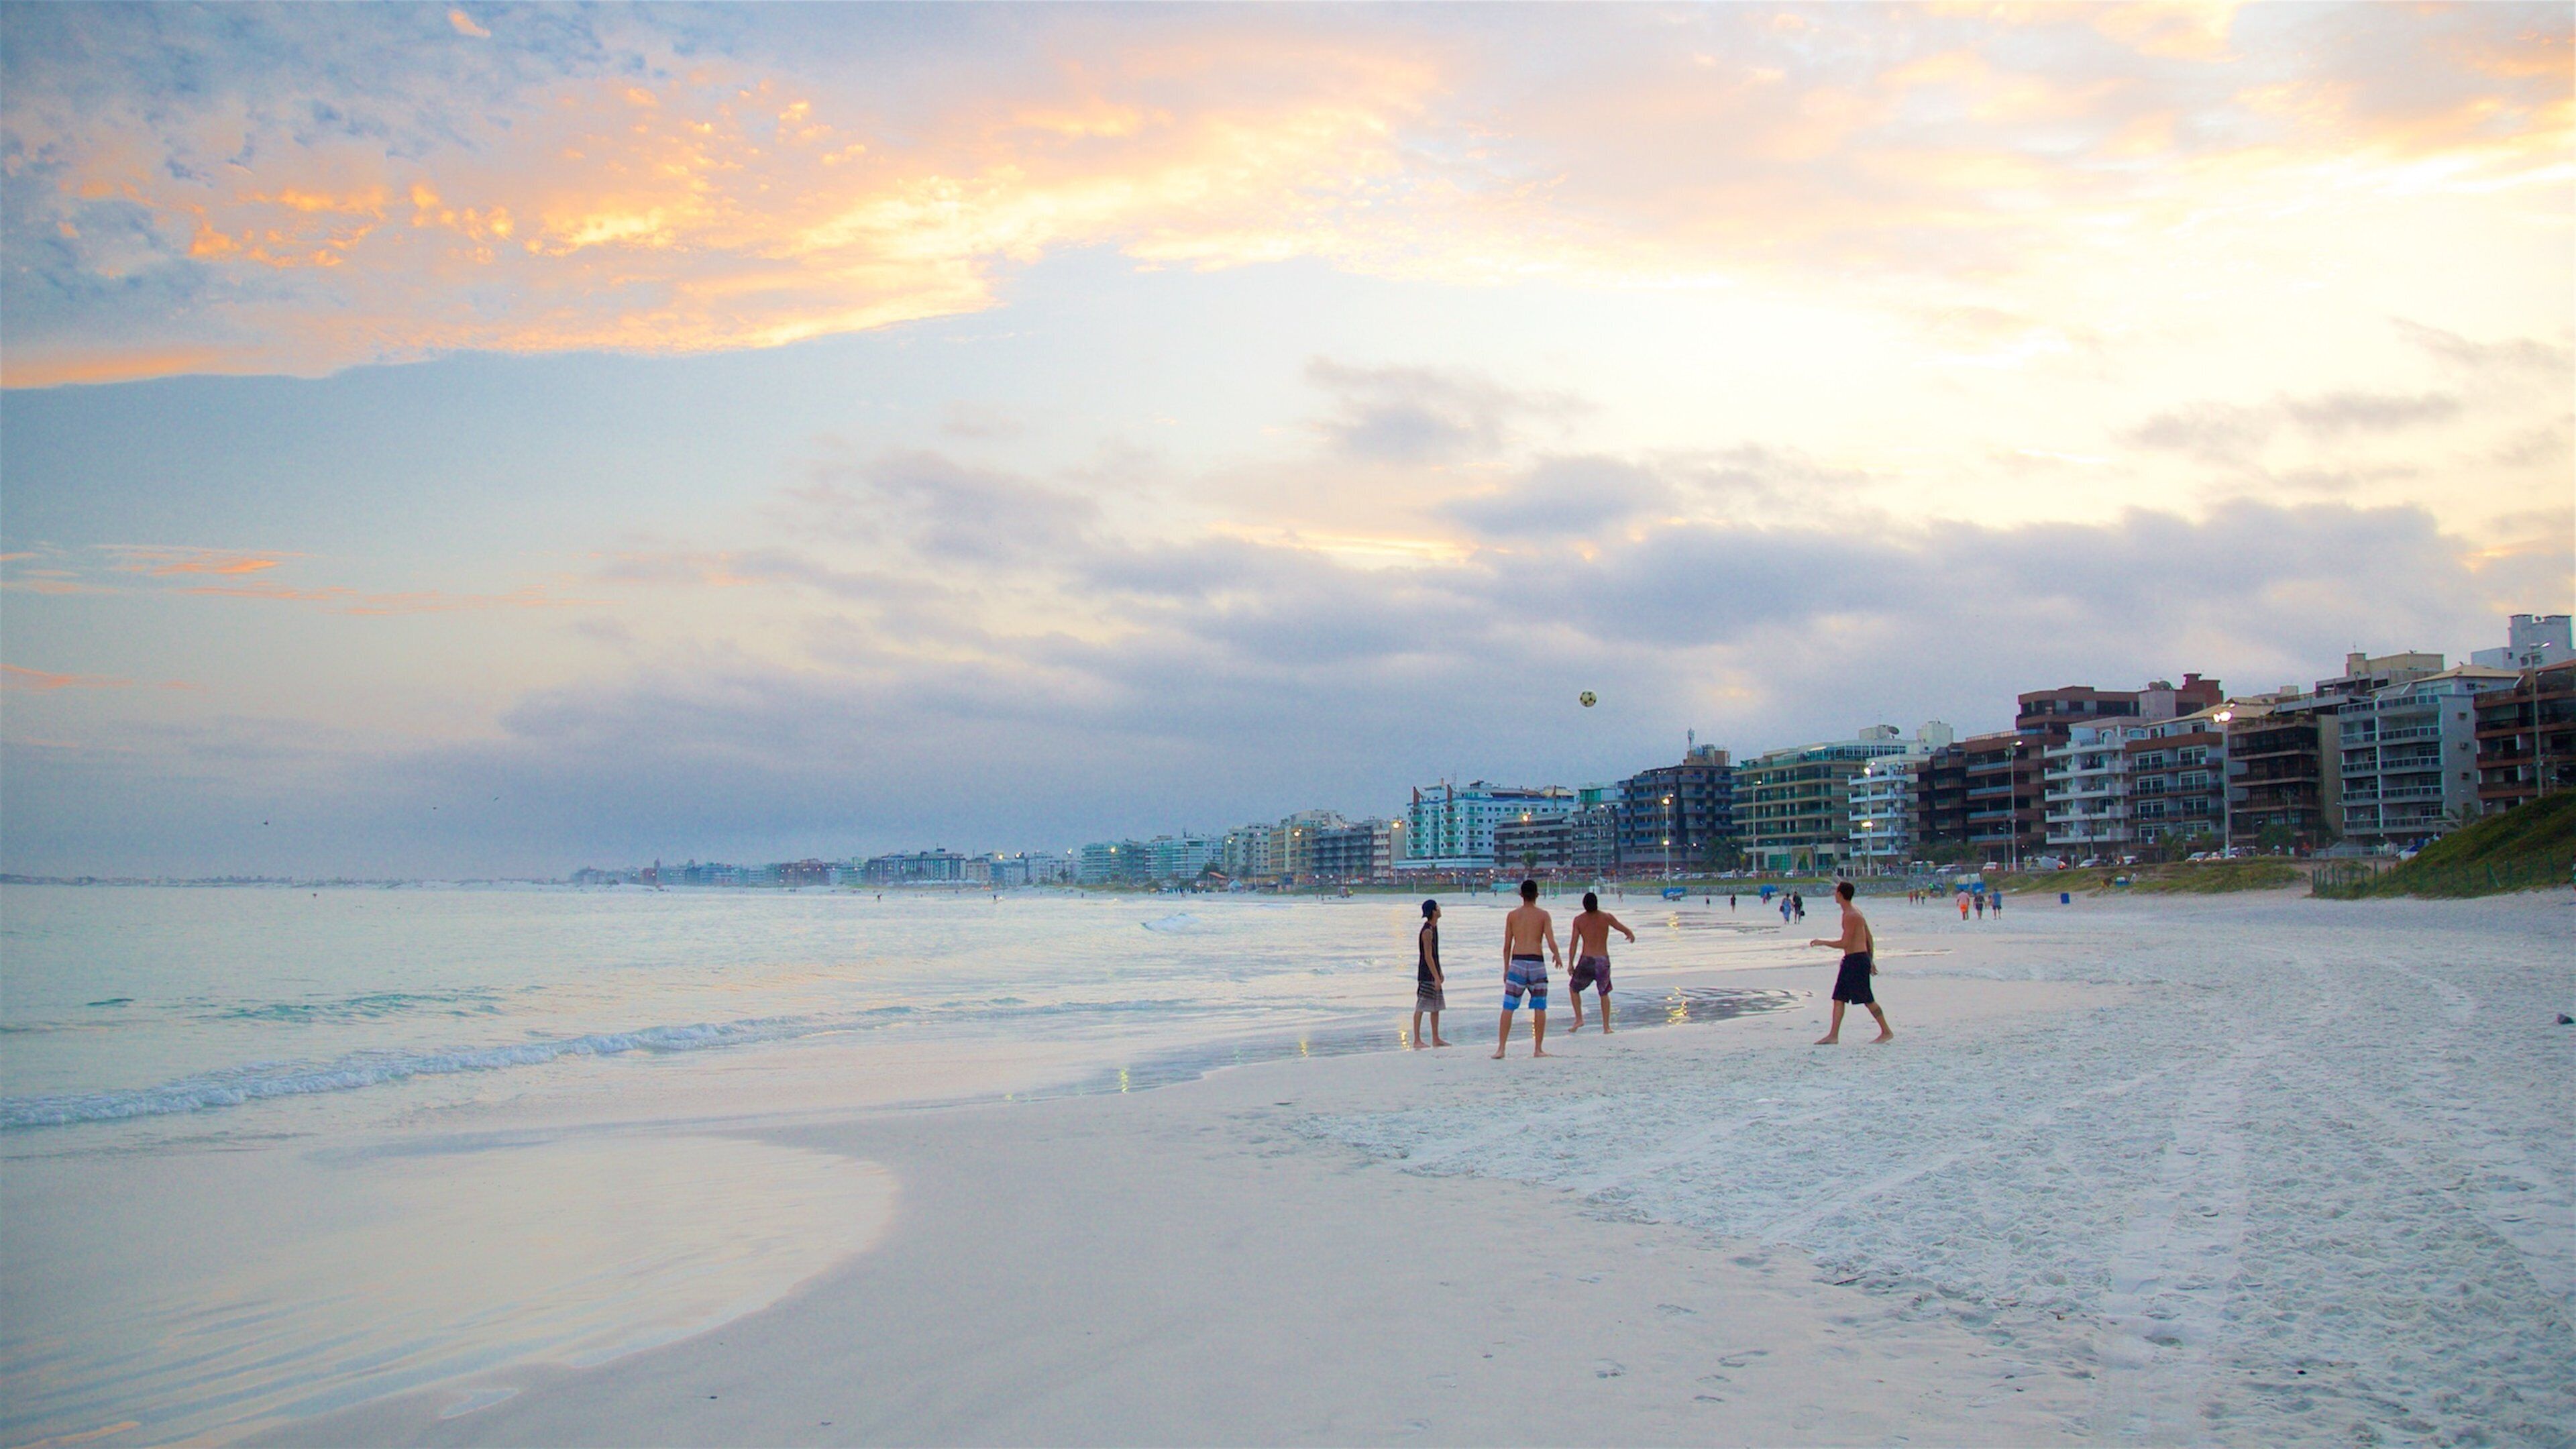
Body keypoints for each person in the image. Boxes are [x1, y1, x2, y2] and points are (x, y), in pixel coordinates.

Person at [1809, 880, 1894, 1044]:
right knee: (1839, 997)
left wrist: (1823, 942)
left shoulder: (1852, 915)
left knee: (1867, 999)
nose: (1834, 894)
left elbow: (1846, 943)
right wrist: (1871, 959)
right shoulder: (1852, 913)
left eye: (1836, 892)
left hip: (1856, 961)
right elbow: (1868, 937)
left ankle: (1886, 1031)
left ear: (1840, 895)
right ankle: (1833, 1035)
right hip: (1852, 960)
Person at [1494, 878, 1561, 1059]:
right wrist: (1557, 955)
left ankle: (1501, 1048)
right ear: (1538, 895)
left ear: (1521, 895)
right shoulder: (1543, 915)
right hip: (1537, 962)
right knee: (1540, 1006)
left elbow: (1507, 945)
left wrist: (1506, 967)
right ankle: (1538, 1049)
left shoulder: (1513, 916)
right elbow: (1550, 940)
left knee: (1508, 1006)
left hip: (1517, 962)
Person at [1565, 891, 1635, 1034]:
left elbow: (1574, 943)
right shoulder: (1606, 917)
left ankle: (1579, 1018)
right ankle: (1606, 1027)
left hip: (1587, 959)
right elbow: (1621, 927)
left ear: (1584, 905)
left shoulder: (1579, 920)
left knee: (1574, 989)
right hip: (1602, 960)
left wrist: (1571, 963)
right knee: (1604, 993)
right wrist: (1630, 933)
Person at [1412, 899, 1450, 1048]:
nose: (1440, 909)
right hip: (1426, 974)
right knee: (1421, 1006)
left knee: (1435, 1006)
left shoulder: (1434, 928)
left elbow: (1435, 954)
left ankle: (1436, 1038)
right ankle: (1417, 1040)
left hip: (1433, 971)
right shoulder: (1427, 931)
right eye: (1438, 907)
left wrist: (1440, 972)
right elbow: (1427, 956)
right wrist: (1435, 976)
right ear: (1434, 912)